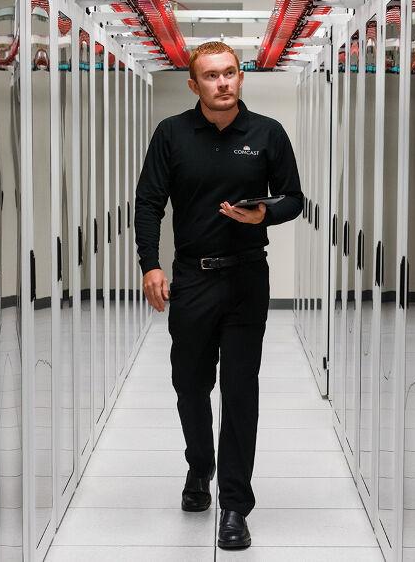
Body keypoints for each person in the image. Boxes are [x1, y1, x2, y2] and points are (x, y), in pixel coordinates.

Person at [134, 41, 303, 550]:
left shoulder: (268, 133)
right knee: (189, 383)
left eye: (230, 73)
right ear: (194, 84)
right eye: (211, 76)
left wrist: (265, 213)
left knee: (240, 390)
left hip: (247, 280)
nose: (223, 83)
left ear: (241, 77)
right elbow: (148, 202)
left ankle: (234, 504)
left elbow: (293, 197)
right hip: (192, 280)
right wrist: (150, 265)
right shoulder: (172, 134)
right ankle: (198, 467)